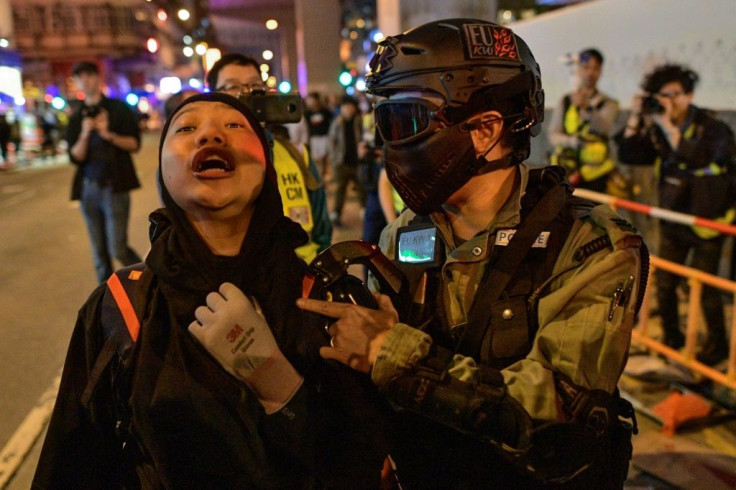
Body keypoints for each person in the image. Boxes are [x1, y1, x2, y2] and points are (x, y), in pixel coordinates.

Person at [295, 19, 647, 488]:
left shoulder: (591, 244)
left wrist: (388, 351)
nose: (390, 143)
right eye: (385, 123)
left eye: (404, 122)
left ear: (484, 130)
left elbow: (557, 407)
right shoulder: (402, 234)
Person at [32, 93, 387, 488]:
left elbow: (364, 466)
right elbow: (72, 467)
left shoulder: (329, 303)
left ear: (266, 164)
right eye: (186, 128)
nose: (210, 136)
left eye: (235, 126)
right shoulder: (121, 307)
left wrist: (280, 388)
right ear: (163, 170)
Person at [617, 64, 736, 366]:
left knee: (707, 288)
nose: (669, 101)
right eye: (663, 95)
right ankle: (672, 338)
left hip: (710, 220)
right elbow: (629, 154)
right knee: (666, 282)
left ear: (689, 94)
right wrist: (636, 117)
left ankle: (717, 348)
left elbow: (697, 156)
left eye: (675, 95)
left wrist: (670, 128)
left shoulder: (713, 126)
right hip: (674, 218)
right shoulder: (657, 125)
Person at [206, 53, 331, 262]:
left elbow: (322, 228)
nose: (247, 93)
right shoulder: (204, 161)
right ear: (213, 98)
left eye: (254, 85)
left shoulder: (297, 153)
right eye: (233, 86)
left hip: (302, 277)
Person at [67, 61, 142, 283]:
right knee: (99, 253)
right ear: (77, 82)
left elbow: (134, 144)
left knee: (117, 248)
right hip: (88, 189)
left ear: (98, 78)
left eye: (89, 75)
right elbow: (75, 157)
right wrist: (85, 133)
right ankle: (105, 301)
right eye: (80, 77)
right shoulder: (76, 116)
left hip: (115, 187)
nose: (86, 80)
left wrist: (107, 133)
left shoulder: (118, 109)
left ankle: (146, 279)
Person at [548, 48, 620, 193]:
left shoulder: (609, 104)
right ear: (578, 70)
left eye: (595, 68)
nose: (590, 73)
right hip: (566, 172)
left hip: (596, 175)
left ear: (601, 72)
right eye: (586, 68)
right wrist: (570, 142)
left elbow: (604, 128)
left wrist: (587, 108)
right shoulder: (565, 101)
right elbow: (553, 134)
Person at [328, 95, 365, 227]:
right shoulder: (337, 122)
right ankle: (336, 214)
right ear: (342, 108)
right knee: (340, 190)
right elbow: (332, 143)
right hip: (341, 163)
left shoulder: (359, 121)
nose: (349, 110)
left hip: (357, 162)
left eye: (351, 107)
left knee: (362, 189)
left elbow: (363, 137)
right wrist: (334, 160)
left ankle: (364, 213)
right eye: (346, 107)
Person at [304, 91, 334, 180]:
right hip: (314, 138)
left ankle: (324, 174)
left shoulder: (324, 111)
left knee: (324, 157)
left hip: (324, 137)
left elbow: (331, 123)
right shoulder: (307, 113)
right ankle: (318, 175)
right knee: (316, 159)